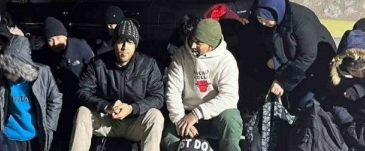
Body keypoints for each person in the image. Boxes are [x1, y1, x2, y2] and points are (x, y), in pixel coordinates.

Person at [71, 19, 165, 151]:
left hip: (135, 122)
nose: (125, 47)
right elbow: (82, 91)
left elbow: (158, 97)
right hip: (107, 121)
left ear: (136, 45)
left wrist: (133, 108)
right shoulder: (98, 63)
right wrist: (105, 106)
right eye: (120, 41)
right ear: (114, 43)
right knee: (83, 112)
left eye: (130, 42)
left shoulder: (148, 65)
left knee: (156, 115)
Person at [252, 0, 336, 109]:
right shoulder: (274, 22)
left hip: (316, 67)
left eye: (266, 20)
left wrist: (282, 81)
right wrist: (276, 61)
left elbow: (307, 56)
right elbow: (279, 45)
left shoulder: (301, 23)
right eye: (260, 19)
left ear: (277, 13)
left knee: (303, 104)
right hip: (295, 64)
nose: (263, 23)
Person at [163, 19, 243, 151]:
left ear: (211, 45)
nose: (193, 45)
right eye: (192, 40)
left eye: (198, 42)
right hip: (186, 113)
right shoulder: (181, 56)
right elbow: (172, 92)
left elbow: (229, 97)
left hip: (215, 116)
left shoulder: (227, 60)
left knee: (232, 120)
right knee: (169, 140)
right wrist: (179, 120)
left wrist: (197, 114)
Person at [0, 35, 62, 151]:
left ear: (22, 67)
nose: (8, 74)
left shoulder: (43, 74)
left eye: (13, 70)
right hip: (7, 137)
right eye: (6, 70)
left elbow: (55, 100)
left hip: (35, 137)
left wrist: (49, 126)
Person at [40, 16, 95, 149]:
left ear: (65, 36)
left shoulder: (80, 46)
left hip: (85, 93)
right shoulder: (50, 53)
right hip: (65, 95)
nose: (55, 43)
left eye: (58, 38)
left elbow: (95, 68)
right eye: (50, 40)